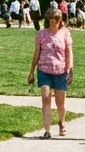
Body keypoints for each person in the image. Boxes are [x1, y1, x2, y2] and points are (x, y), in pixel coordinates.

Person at [28, 8, 73, 139]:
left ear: (61, 20)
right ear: (48, 19)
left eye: (57, 18)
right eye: (51, 18)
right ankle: (47, 130)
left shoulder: (65, 33)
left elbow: (69, 52)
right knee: (46, 98)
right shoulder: (41, 34)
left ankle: (61, 121)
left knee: (60, 101)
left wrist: (70, 69)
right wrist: (31, 71)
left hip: (60, 70)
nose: (54, 21)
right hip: (44, 70)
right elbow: (37, 52)